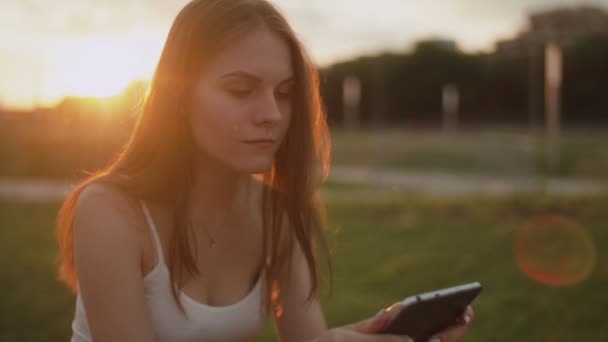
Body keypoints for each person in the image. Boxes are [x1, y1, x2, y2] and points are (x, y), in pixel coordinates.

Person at [55, 0, 474, 341]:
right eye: (241, 90)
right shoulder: (112, 212)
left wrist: (376, 333)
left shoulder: (276, 216)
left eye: (285, 93)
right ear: (178, 98)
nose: (272, 114)